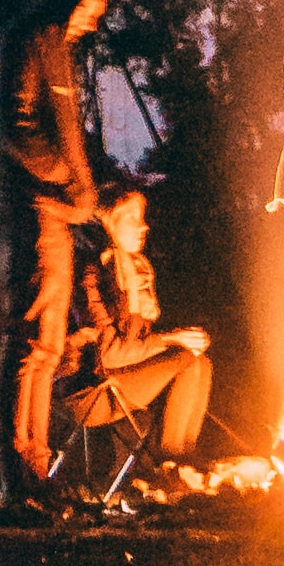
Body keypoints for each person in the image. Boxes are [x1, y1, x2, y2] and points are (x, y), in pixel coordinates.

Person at [0, 0, 115, 493]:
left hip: (61, 211)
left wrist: (88, 192)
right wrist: (65, 179)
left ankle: (36, 466)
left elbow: (67, 131)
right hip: (38, 207)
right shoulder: (33, 43)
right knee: (35, 343)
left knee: (50, 340)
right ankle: (23, 469)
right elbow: (17, 125)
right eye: (89, 6)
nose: (93, 21)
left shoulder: (60, 52)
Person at [61, 187, 215, 467]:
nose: (143, 226)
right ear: (109, 222)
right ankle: (172, 463)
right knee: (187, 362)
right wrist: (170, 339)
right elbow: (109, 355)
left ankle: (183, 456)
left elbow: (138, 346)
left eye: (142, 217)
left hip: (123, 379)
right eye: (131, 218)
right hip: (93, 390)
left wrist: (183, 338)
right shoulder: (92, 275)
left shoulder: (136, 273)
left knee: (200, 363)